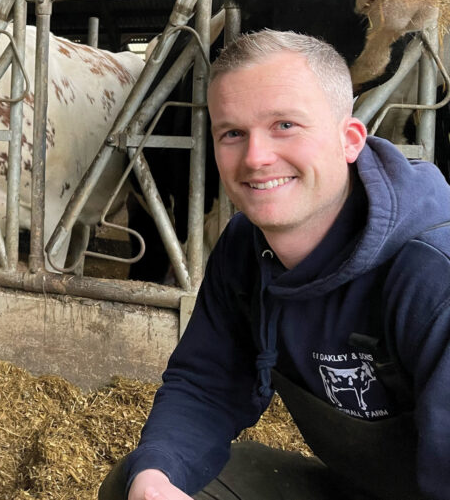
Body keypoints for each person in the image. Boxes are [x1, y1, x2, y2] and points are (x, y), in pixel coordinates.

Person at [99, 29, 450, 500]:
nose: (256, 158)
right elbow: (207, 383)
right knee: (140, 480)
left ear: (349, 140)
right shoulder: (246, 246)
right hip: (359, 486)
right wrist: (157, 477)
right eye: (233, 134)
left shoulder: (433, 272)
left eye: (285, 125)